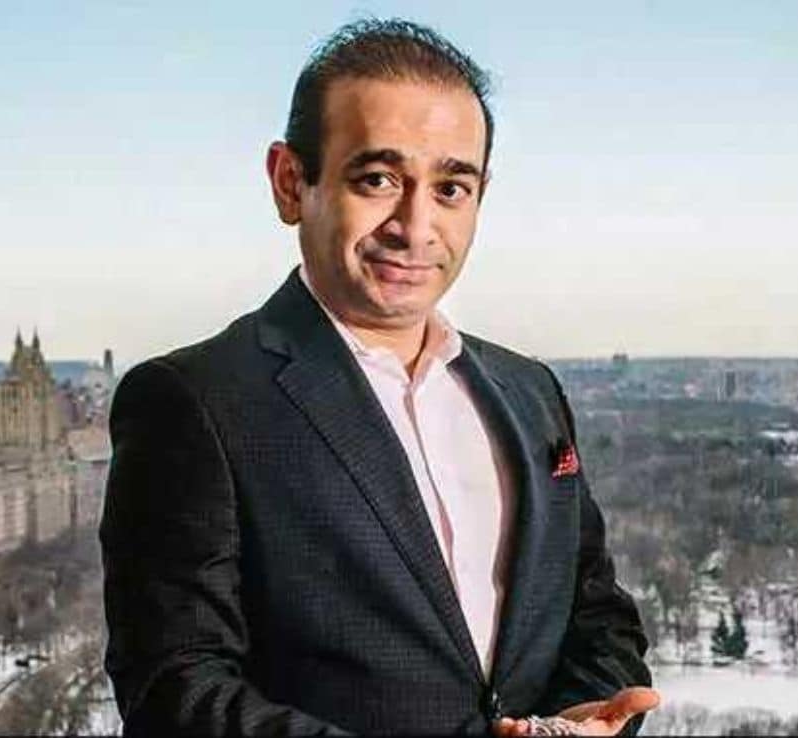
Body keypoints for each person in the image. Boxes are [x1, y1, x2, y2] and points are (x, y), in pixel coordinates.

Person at [100, 18, 658, 736]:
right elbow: (176, 692)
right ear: (290, 183)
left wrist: (576, 724)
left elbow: (597, 614)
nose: (415, 226)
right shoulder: (193, 402)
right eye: (378, 180)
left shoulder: (530, 392)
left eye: (451, 188)